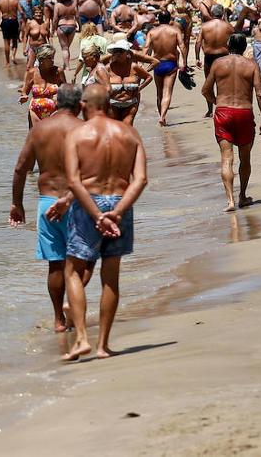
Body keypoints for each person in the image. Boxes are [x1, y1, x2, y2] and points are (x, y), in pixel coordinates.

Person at [62, 84, 148, 361]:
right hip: (120, 203)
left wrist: (97, 215)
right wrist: (118, 212)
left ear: (84, 104)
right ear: (108, 104)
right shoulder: (130, 133)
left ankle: (82, 340)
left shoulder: (77, 134)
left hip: (89, 203)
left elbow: (74, 181)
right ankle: (103, 346)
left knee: (73, 271)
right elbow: (141, 180)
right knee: (110, 276)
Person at [10, 85, 89, 333]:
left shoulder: (39, 130)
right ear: (79, 105)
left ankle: (58, 319)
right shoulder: (83, 129)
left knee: (55, 264)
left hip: (47, 203)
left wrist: (17, 203)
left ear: (56, 104)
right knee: (85, 260)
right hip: (77, 200)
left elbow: (21, 168)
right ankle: (71, 301)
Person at [201, 33, 261, 212]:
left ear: (228, 45)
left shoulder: (217, 63)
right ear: (244, 47)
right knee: (245, 158)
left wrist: (218, 103)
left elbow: (205, 90)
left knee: (226, 158)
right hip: (244, 113)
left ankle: (230, 201)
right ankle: (242, 196)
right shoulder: (252, 65)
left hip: (223, 113)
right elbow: (260, 94)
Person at [93, 38, 152, 125]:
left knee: (127, 126)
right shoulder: (108, 68)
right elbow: (97, 79)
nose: (118, 54)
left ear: (127, 53)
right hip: (112, 103)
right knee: (115, 128)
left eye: (121, 51)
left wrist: (140, 88)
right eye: (115, 51)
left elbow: (149, 77)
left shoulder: (134, 67)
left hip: (131, 103)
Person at [143, 12, 184, 126]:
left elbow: (146, 48)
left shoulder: (152, 32)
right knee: (167, 92)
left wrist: (142, 63)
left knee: (159, 93)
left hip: (157, 64)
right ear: (170, 19)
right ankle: (162, 117)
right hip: (171, 64)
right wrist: (183, 62)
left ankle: (161, 116)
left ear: (158, 19)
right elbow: (182, 46)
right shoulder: (175, 31)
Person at [19, 45, 67, 127]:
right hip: (35, 112)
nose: (52, 60)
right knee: (36, 137)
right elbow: (24, 91)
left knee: (53, 137)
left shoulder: (58, 72)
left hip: (54, 111)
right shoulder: (32, 73)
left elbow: (66, 90)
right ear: (41, 59)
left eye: (53, 57)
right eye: (49, 58)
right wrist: (24, 97)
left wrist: (60, 95)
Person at [0, 0, 21, 65]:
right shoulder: (15, 1)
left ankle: (7, 62)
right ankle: (13, 56)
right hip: (14, 20)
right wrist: (24, 20)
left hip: (5, 21)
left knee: (6, 42)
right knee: (14, 40)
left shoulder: (1, 1)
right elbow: (21, 12)